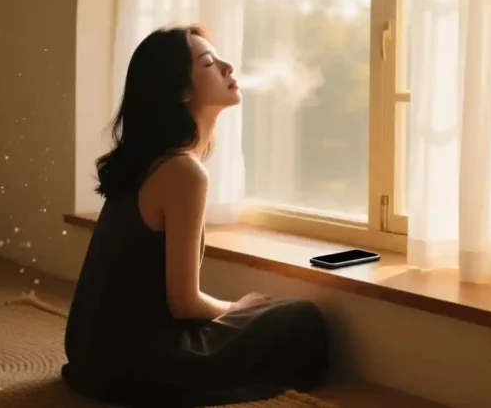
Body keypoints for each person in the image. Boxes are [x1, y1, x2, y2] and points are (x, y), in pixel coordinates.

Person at [61, 25, 330, 406]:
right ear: (181, 91)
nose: (227, 66)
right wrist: (237, 308)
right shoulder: (182, 171)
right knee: (303, 318)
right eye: (208, 62)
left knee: (272, 315)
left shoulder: (146, 160)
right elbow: (184, 303)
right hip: (136, 364)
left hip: (89, 354)